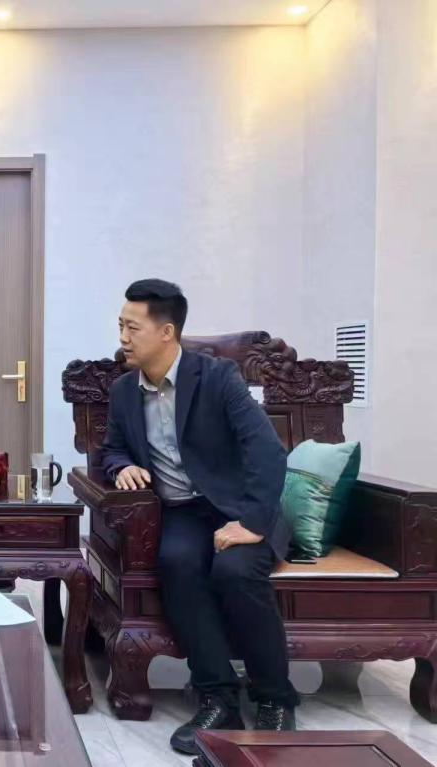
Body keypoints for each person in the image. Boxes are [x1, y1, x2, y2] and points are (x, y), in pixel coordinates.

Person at [102, 278, 298, 754]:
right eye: (120, 326)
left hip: (240, 506)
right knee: (177, 564)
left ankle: (274, 698)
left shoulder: (218, 378)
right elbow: (112, 449)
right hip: (184, 512)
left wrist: (252, 524)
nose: (123, 337)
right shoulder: (124, 391)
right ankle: (217, 698)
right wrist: (122, 466)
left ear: (166, 332)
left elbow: (266, 450)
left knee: (235, 571)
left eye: (132, 327)